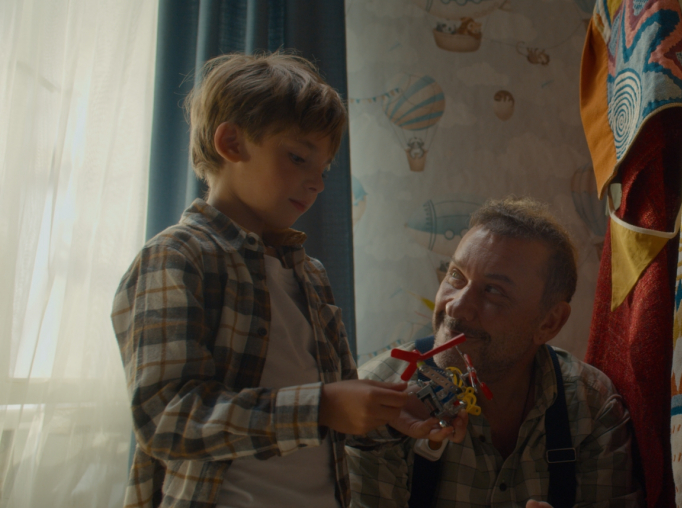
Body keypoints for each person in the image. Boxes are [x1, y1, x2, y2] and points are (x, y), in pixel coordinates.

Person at [111, 52, 447, 508]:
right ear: (231, 143)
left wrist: (390, 417)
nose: (317, 183)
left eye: (323, 170)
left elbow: (335, 424)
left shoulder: (310, 275)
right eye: (297, 157)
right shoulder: (177, 257)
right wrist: (320, 406)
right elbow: (166, 420)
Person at [347, 198, 642, 507]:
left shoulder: (591, 407)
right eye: (456, 275)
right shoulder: (378, 401)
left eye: (494, 291)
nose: (457, 306)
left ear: (549, 322)